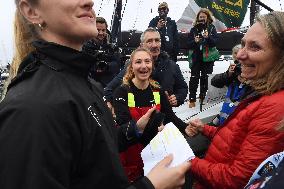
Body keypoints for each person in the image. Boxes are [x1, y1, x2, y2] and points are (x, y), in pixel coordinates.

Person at [0, 0, 191, 189]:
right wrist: (150, 186)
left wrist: (134, 130)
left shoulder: (88, 85)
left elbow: (97, 149)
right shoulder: (31, 107)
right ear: (32, 11)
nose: (89, 2)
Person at [185, 11, 284, 189]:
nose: (239, 55)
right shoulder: (263, 94)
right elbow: (234, 139)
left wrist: (186, 160)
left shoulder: (275, 108)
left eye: (255, 47)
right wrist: (204, 128)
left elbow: (235, 179)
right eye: (243, 44)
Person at [113, 47, 191, 181]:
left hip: (155, 153)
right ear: (131, 66)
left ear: (152, 64)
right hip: (131, 153)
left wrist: (185, 127)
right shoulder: (122, 92)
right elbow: (123, 125)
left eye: (147, 61)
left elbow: (169, 117)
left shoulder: (157, 91)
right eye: (138, 62)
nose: (143, 66)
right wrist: (151, 129)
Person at [103, 27, 188, 112]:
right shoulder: (132, 67)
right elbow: (109, 90)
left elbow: (182, 88)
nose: (154, 45)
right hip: (137, 120)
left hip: (164, 118)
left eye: (157, 40)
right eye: (149, 41)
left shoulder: (172, 66)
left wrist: (177, 98)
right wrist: (114, 106)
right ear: (141, 45)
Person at [187, 8, 218, 108]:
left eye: (204, 17)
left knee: (205, 78)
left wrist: (208, 37)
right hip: (196, 57)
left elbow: (215, 43)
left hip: (208, 58)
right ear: (197, 18)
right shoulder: (193, 29)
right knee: (194, 78)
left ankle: (202, 97)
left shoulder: (212, 28)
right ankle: (192, 98)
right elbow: (188, 44)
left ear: (208, 18)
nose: (202, 19)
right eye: (200, 17)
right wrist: (195, 41)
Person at [210, 44, 247, 126]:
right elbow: (215, 82)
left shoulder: (252, 71)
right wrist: (229, 74)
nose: (237, 55)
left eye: (239, 52)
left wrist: (248, 80)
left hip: (238, 118)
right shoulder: (233, 69)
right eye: (235, 53)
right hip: (226, 114)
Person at [82, 16, 121, 88]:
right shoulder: (84, 46)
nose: (101, 33)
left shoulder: (112, 47)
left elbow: (118, 64)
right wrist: (95, 67)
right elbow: (82, 64)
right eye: (98, 30)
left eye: (103, 30)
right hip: (89, 83)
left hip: (108, 84)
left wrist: (106, 66)